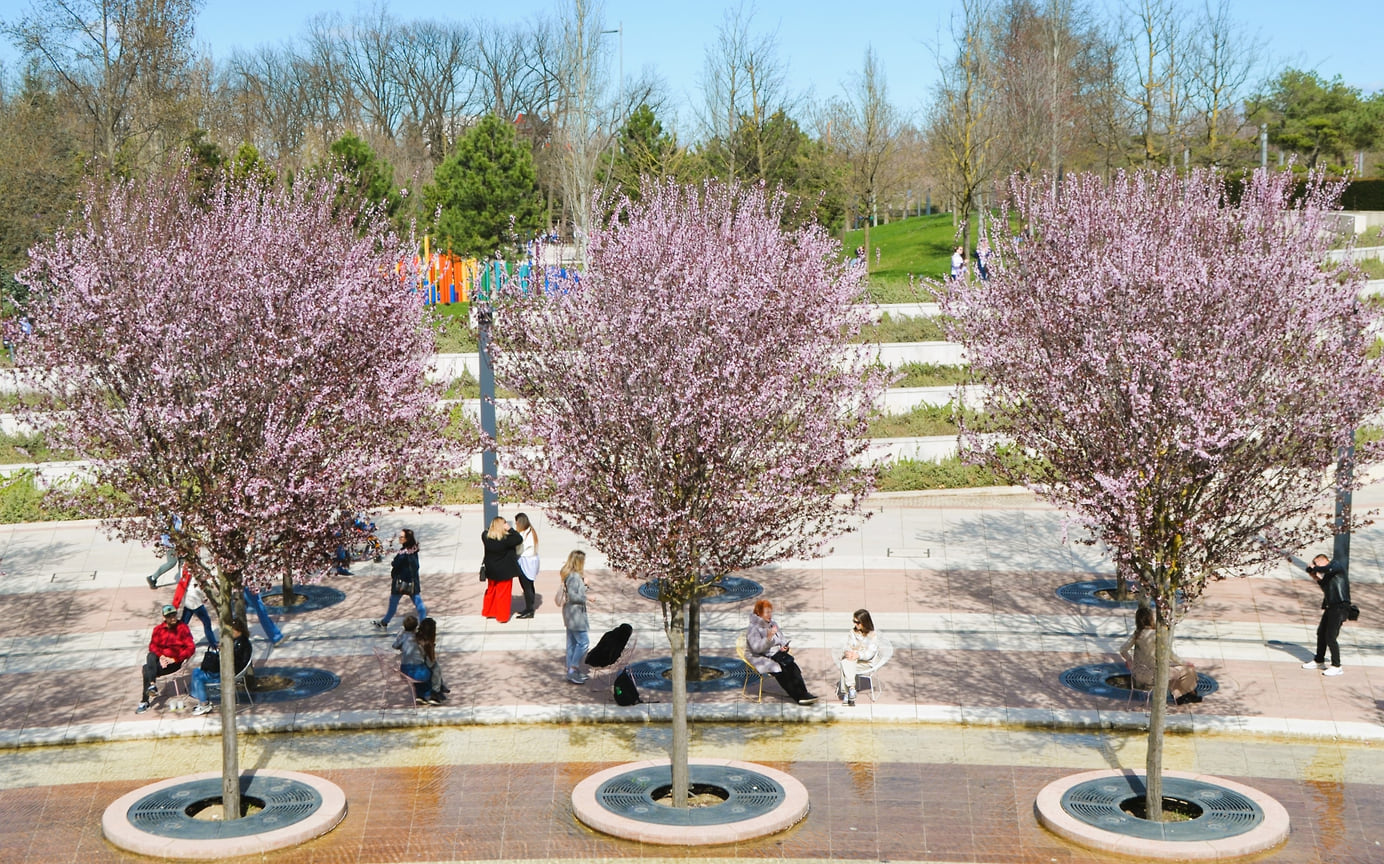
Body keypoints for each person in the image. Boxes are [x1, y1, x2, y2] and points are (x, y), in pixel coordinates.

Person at [1119, 606, 1201, 704]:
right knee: (1188, 670)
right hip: (1155, 675)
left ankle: (1181, 695)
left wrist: (1129, 660)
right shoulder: (1156, 634)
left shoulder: (1137, 634)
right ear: (1151, 619)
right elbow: (1170, 654)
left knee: (1172, 669)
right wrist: (1185, 663)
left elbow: (1123, 649)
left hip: (1138, 674)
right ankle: (1188, 694)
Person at [745, 598, 818, 706]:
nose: (770, 615)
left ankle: (804, 693)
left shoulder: (772, 623)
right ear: (759, 613)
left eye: (771, 612)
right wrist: (768, 638)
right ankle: (797, 696)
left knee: (793, 667)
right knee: (782, 671)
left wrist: (784, 646)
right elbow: (757, 648)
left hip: (777, 653)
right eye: (767, 612)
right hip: (762, 656)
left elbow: (782, 638)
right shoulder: (753, 628)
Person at [136, 604, 196, 713]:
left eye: (174, 615)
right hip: (160, 660)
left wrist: (175, 659)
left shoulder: (183, 628)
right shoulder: (158, 630)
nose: (173, 618)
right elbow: (152, 646)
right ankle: (152, 685)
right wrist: (162, 656)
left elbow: (191, 648)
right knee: (151, 656)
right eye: (169, 616)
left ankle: (146, 699)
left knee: (146, 670)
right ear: (164, 618)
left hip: (174, 662)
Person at [190, 618, 252, 715]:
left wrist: (223, 652)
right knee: (196, 671)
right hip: (228, 670)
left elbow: (233, 660)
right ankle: (200, 697)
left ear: (237, 630)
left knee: (198, 677)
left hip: (229, 673)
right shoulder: (240, 641)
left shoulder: (240, 644)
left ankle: (204, 702)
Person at [1303, 553, 1352, 676]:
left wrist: (1314, 568)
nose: (1315, 566)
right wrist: (1315, 576)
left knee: (1331, 636)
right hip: (1331, 606)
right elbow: (1325, 587)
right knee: (1321, 632)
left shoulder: (1336, 565)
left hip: (1340, 606)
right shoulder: (1329, 575)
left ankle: (1337, 665)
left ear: (1323, 560)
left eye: (1316, 563)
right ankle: (1319, 660)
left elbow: (1327, 569)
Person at [374, 529, 425, 631]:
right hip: (412, 583)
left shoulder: (404, 554)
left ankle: (384, 622)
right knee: (419, 603)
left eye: (401, 537)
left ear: (407, 539)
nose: (399, 539)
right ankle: (424, 625)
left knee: (393, 603)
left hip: (400, 583)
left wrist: (396, 563)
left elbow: (395, 564)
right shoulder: (413, 550)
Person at [481, 516, 524, 623]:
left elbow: (487, 531)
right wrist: (510, 529)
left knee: (491, 591)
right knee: (503, 594)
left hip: (491, 569)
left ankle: (489, 611)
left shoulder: (485, 537)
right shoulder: (506, 539)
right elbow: (519, 539)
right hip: (505, 570)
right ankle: (502, 616)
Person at [836, 609, 878, 707]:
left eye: (858, 622)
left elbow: (870, 653)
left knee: (845, 664)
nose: (856, 624)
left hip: (864, 662)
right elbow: (847, 645)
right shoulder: (852, 632)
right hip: (851, 659)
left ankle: (847, 693)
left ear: (864, 622)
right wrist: (847, 652)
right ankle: (851, 689)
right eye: (854, 621)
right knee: (847, 662)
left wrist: (858, 655)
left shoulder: (872, 635)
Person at [561, 550, 589, 684]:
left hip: (571, 614)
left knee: (572, 642)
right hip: (575, 615)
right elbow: (574, 596)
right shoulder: (573, 577)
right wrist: (587, 597)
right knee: (583, 642)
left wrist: (585, 585)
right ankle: (573, 668)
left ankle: (571, 671)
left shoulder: (573, 576)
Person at [393, 615, 436, 705]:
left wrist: (400, 636)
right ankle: (426, 694)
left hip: (404, 670)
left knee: (417, 675)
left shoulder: (403, 637)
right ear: (416, 627)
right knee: (429, 672)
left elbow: (395, 646)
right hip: (418, 670)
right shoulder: (418, 639)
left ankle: (420, 696)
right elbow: (424, 654)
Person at [174, 564, 217, 648]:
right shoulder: (194, 569)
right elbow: (199, 587)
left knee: (183, 623)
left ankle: (179, 640)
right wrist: (203, 597)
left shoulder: (187, 569)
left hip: (190, 601)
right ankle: (213, 643)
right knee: (206, 622)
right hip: (195, 602)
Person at [146, 514, 183, 589]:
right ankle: (153, 578)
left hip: (180, 540)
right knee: (171, 562)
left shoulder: (177, 513)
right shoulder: (166, 514)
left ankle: (183, 581)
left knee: (183, 560)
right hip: (170, 542)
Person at [514, 513, 539, 619]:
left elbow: (518, 548)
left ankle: (529, 609)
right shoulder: (531, 531)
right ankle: (529, 607)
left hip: (526, 561)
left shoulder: (523, 534)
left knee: (526, 586)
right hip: (531, 560)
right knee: (529, 585)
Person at [418, 617, 449, 701]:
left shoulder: (416, 639)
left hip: (411, 666)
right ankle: (436, 691)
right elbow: (430, 663)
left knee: (435, 666)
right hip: (420, 669)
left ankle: (440, 685)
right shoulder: (427, 644)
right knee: (436, 668)